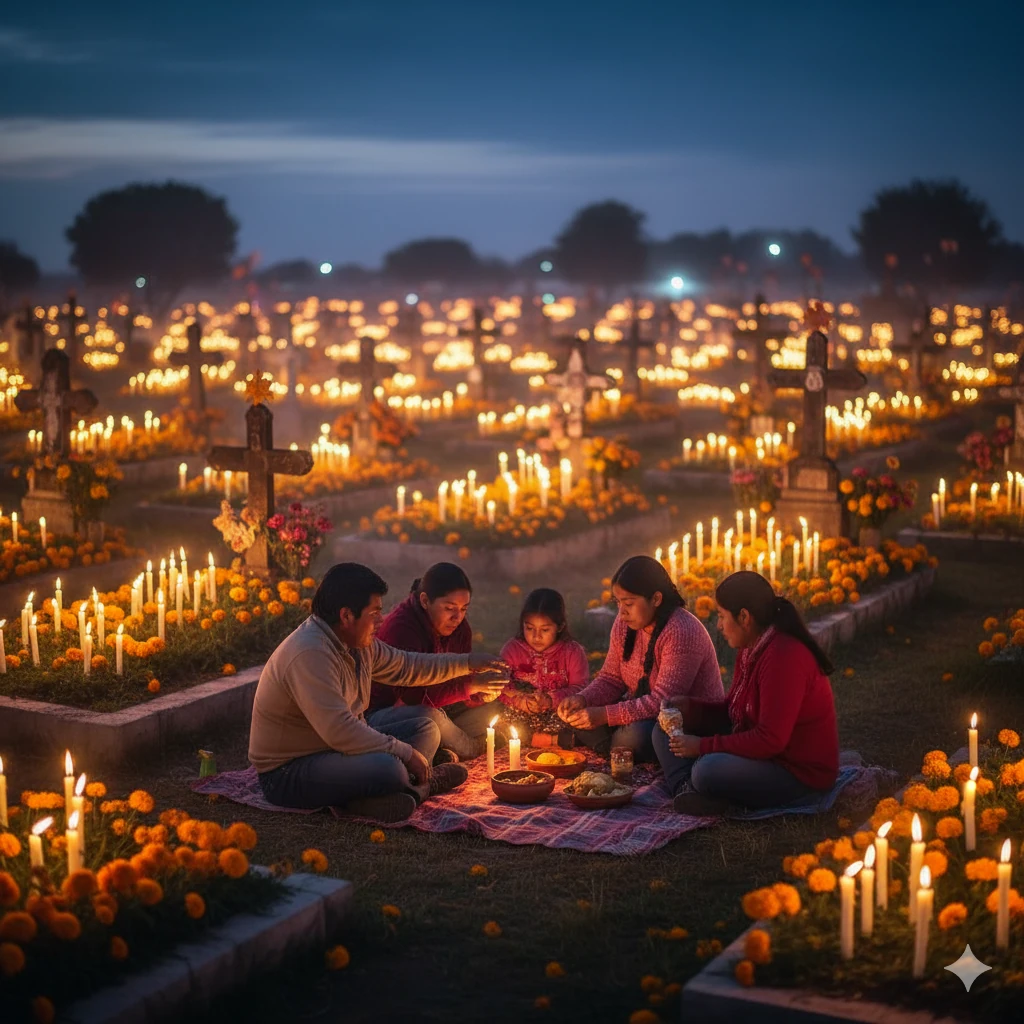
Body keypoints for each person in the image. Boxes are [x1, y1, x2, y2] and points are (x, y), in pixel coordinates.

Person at [250, 563, 506, 823]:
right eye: (374, 613)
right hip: (289, 771)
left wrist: (468, 662)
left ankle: (389, 794)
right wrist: (405, 753)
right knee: (389, 768)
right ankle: (419, 786)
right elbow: (339, 730)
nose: (380, 620)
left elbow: (409, 666)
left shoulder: (357, 643)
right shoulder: (310, 653)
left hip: (339, 752)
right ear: (347, 615)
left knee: (426, 729)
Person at [662, 570, 839, 816]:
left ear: (744, 617)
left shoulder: (783, 657)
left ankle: (702, 789)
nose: (719, 625)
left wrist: (703, 746)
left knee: (707, 770)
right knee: (662, 729)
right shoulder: (751, 647)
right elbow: (734, 712)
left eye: (722, 616)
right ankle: (688, 790)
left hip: (797, 773)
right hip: (759, 752)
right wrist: (691, 710)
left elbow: (770, 740)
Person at [557, 555, 723, 762]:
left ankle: (617, 747)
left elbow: (663, 703)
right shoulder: (624, 623)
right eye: (617, 603)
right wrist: (583, 699)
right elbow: (611, 678)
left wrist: (604, 715)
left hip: (682, 724)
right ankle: (617, 748)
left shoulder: (681, 631)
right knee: (577, 717)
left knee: (635, 736)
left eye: (628, 603)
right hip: (639, 712)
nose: (621, 611)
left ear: (656, 599)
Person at [367, 563, 504, 761]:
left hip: (438, 706)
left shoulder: (459, 628)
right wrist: (471, 684)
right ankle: (471, 749)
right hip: (386, 714)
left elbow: (457, 685)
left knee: (493, 709)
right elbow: (413, 697)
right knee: (431, 719)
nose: (457, 617)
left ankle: (444, 752)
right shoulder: (402, 628)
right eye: (449, 608)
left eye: (464, 609)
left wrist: (481, 693)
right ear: (424, 601)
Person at [498, 588, 589, 742]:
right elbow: (501, 686)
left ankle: (539, 740)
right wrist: (522, 702)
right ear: (522, 625)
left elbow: (581, 688)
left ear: (560, 627)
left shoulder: (572, 652)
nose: (536, 636)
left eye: (545, 630)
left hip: (558, 713)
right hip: (521, 714)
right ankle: (554, 741)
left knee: (582, 719)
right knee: (501, 721)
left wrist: (550, 700)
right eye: (529, 628)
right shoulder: (512, 650)